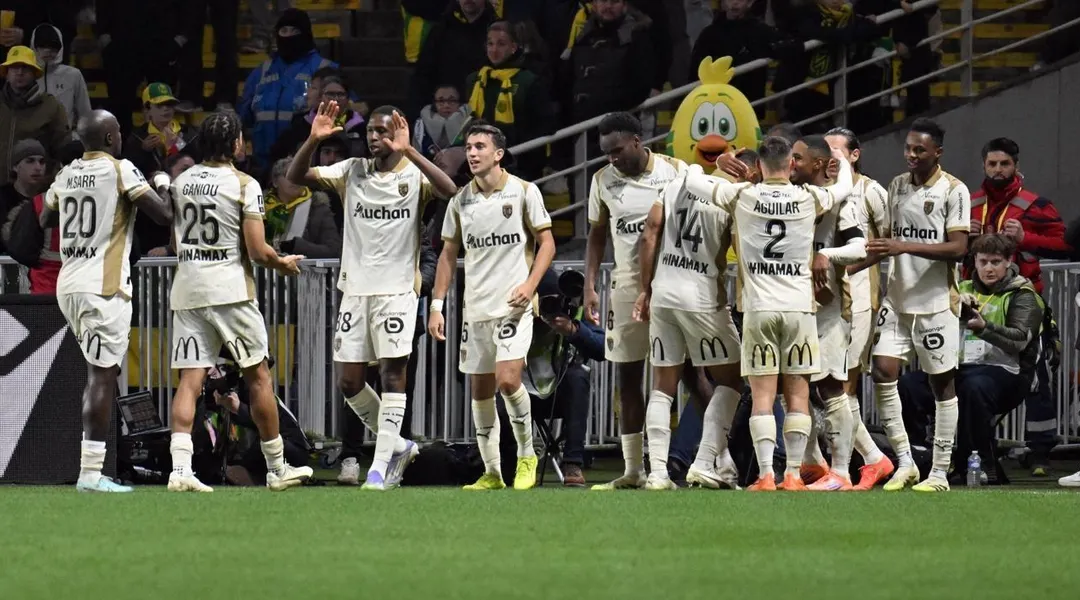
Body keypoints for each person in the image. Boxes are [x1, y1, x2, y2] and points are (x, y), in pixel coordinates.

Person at [288, 102, 459, 489]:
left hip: (397, 291)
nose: (375, 138)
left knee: (391, 374)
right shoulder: (352, 171)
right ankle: (397, 444)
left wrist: (410, 150)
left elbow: (449, 189)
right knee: (349, 382)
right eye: (370, 133)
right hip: (355, 291)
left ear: (397, 133)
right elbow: (296, 176)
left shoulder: (414, 175)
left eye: (383, 132)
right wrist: (313, 140)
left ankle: (379, 469)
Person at [165, 110, 311, 493]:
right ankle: (277, 468)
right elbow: (258, 251)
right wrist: (283, 263)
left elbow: (176, 243)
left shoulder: (181, 182)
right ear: (236, 144)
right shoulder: (244, 184)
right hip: (230, 292)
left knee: (190, 381)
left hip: (188, 290)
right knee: (258, 376)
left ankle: (180, 469)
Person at [38, 110, 173, 492]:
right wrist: (163, 182)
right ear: (111, 138)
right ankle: (91, 473)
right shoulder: (120, 169)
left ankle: (94, 470)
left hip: (69, 283)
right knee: (102, 375)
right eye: (118, 133)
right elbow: (164, 215)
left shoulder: (66, 174)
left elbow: (47, 218)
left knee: (97, 373)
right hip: (103, 286)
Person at [711, 135, 854, 491]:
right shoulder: (809, 198)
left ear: (759, 165)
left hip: (759, 309)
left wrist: (720, 162)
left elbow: (690, 181)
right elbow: (845, 186)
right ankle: (792, 474)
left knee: (762, 395)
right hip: (799, 309)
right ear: (791, 164)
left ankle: (765, 475)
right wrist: (840, 159)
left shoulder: (741, 195)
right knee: (798, 395)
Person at [428, 122, 556, 491]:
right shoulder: (460, 201)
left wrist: (530, 285)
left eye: (480, 146)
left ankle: (528, 455)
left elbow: (547, 243)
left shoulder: (524, 192)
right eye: (469, 147)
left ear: (498, 154)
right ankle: (492, 472)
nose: (472, 153)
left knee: (508, 381)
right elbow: (448, 255)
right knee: (480, 392)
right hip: (476, 310)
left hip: (513, 306)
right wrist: (437, 306)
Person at [857, 118, 971, 492]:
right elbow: (887, 242)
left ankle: (939, 472)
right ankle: (905, 461)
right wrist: (848, 268)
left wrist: (904, 246)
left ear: (937, 152)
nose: (911, 155)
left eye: (919, 149)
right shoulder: (898, 185)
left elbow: (958, 247)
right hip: (898, 299)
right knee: (882, 370)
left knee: (942, 384)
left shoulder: (954, 190)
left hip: (936, 303)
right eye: (908, 148)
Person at [583, 111, 687, 490]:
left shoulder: (675, 170)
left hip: (672, 283)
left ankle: (706, 461)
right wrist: (590, 285)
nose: (612, 158)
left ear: (637, 142)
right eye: (606, 153)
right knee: (627, 377)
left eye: (617, 150)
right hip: (626, 287)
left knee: (685, 375)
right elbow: (597, 234)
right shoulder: (602, 180)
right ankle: (633, 470)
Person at [898, 234, 1044, 485]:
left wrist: (984, 328)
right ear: (974, 261)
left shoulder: (1023, 295)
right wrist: (951, 307)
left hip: (1008, 373)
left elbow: (1020, 340)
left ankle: (979, 463)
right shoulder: (959, 289)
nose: (989, 268)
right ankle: (917, 457)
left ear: (1009, 261)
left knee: (974, 387)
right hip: (960, 368)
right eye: (983, 261)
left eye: (996, 262)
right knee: (909, 384)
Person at [634, 164, 745, 490]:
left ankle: (657, 473)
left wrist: (646, 290)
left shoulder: (674, 185)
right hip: (702, 296)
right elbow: (742, 251)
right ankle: (704, 462)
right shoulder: (732, 197)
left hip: (664, 293)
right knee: (732, 379)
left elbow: (649, 233)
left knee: (662, 385)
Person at [789, 134, 867, 491]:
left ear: (818, 164)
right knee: (795, 386)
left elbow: (860, 247)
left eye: (798, 158)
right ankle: (813, 464)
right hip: (796, 306)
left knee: (831, 388)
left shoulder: (841, 203)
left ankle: (842, 472)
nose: (791, 164)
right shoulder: (794, 198)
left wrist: (827, 255)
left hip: (830, 308)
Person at [824, 127, 895, 491]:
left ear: (854, 155)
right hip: (826, 300)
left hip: (860, 298)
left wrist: (847, 267)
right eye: (826, 151)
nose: (830, 158)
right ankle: (870, 459)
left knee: (844, 386)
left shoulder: (872, 192)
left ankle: (854, 465)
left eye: (837, 151)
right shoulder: (821, 190)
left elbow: (884, 243)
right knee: (824, 384)